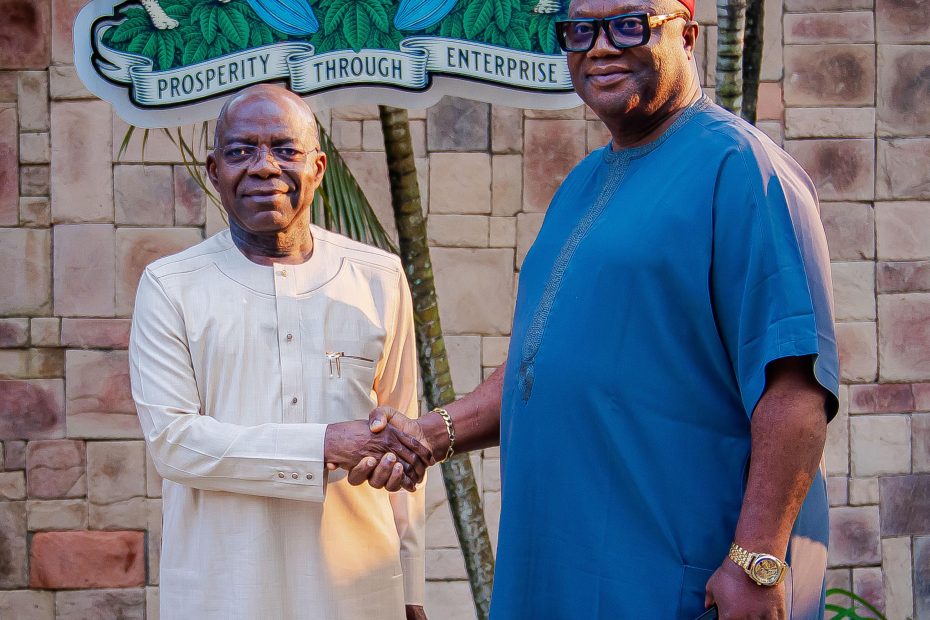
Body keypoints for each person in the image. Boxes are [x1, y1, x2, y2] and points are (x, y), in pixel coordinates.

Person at [356, 0, 839, 618]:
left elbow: (795, 386)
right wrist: (427, 434)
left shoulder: (743, 169)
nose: (601, 46)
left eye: (629, 24)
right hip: (556, 569)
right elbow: (543, 363)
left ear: (687, 35)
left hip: (667, 576)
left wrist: (757, 560)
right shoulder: (582, 182)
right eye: (580, 30)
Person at [129, 84, 430, 620]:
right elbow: (174, 444)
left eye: (285, 149)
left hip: (358, 591)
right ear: (214, 169)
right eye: (241, 150)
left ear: (318, 167)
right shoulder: (170, 286)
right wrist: (326, 444)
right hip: (222, 591)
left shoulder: (378, 278)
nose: (264, 166)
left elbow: (401, 440)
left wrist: (412, 587)